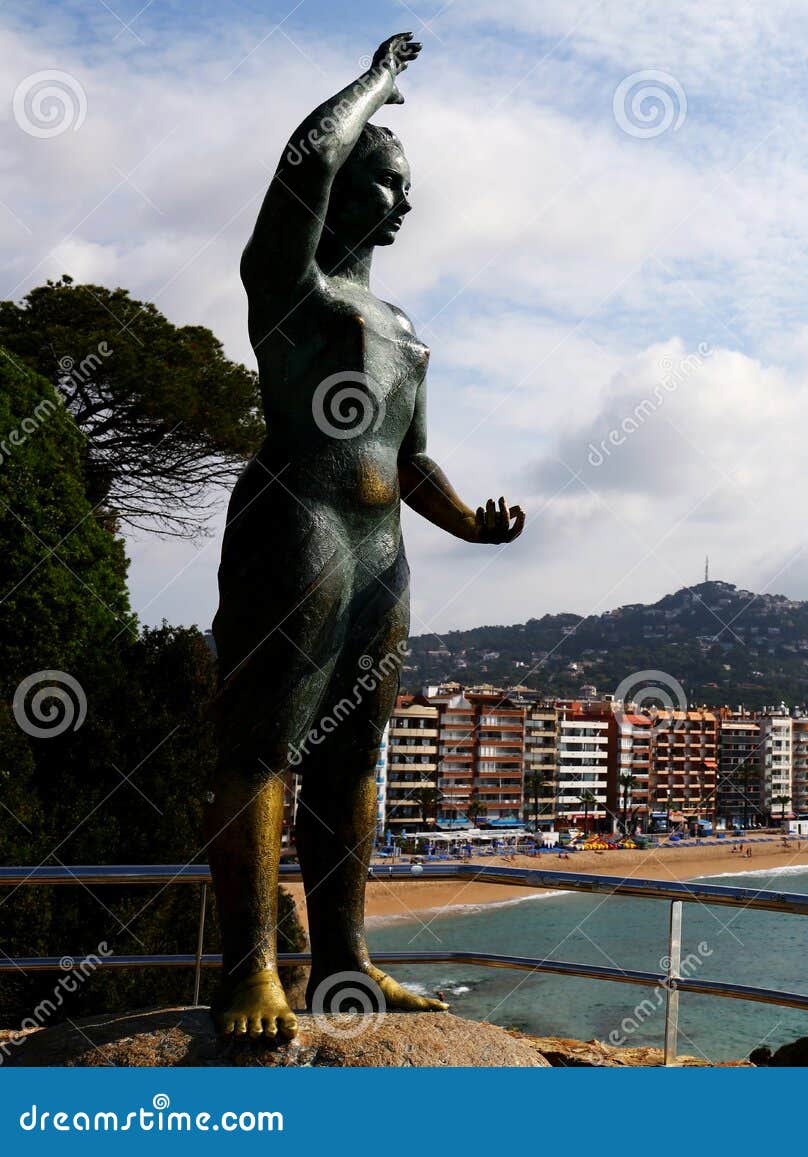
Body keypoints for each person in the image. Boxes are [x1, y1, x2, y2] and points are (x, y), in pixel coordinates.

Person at [205, 33, 525, 1040]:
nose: (405, 202)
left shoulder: (404, 329)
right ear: (345, 185)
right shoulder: (292, 292)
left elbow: (410, 454)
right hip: (296, 517)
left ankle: (344, 959)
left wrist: (470, 521)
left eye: (408, 185)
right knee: (263, 746)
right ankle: (250, 971)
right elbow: (297, 170)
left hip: (381, 547)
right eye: (388, 180)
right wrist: (376, 85)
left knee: (353, 755)